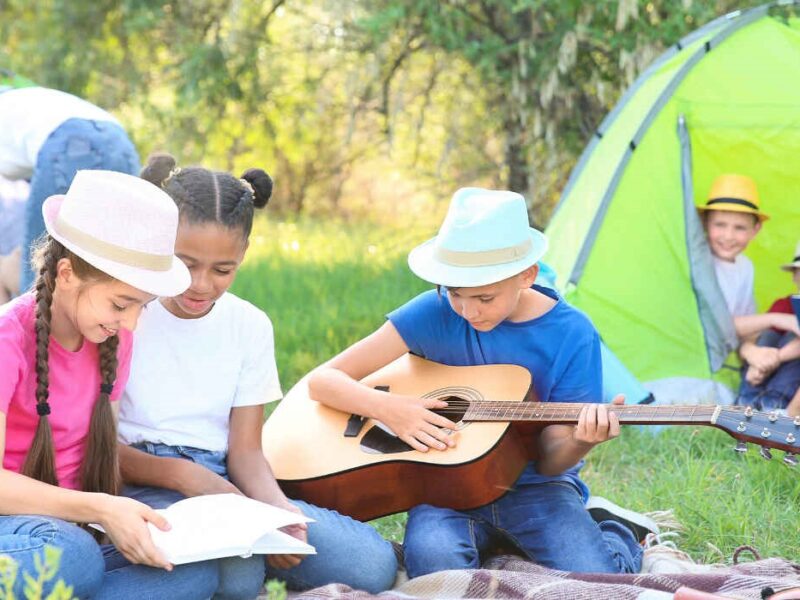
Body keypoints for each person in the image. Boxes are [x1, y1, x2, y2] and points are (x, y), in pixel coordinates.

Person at [307, 187, 649, 578]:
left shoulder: (572, 334)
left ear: (527, 275)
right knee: (433, 568)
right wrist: (391, 410)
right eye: (456, 293)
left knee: (597, 578)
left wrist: (581, 440)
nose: (468, 311)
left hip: (537, 489)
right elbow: (323, 380)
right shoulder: (434, 311)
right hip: (443, 487)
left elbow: (552, 460)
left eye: (485, 298)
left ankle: (617, 531)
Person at [116, 153, 398, 598]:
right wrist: (184, 478)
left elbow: (246, 451)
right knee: (239, 577)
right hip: (142, 478)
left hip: (222, 479)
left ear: (243, 254)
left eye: (222, 270)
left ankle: (228, 555)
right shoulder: (126, 311)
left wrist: (277, 510)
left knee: (372, 565)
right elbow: (99, 446)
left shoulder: (249, 325)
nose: (201, 284)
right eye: (185, 263)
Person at [0, 169, 219, 598]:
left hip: (77, 523)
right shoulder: (8, 341)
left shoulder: (112, 338)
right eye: (121, 304)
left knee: (194, 569)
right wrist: (101, 508)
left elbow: (97, 451)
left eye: (142, 307)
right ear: (66, 274)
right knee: (75, 556)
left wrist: (119, 514)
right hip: (20, 527)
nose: (131, 323)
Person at [0, 83, 140, 293]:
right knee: (101, 267)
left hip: (70, 145)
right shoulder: (27, 103)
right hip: (121, 145)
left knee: (40, 271)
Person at [735, 241, 800, 415]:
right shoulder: (784, 304)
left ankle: (774, 404)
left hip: (786, 387)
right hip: (759, 377)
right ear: (794, 276)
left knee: (792, 338)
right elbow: (750, 337)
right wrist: (754, 356)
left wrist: (774, 359)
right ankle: (747, 401)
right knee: (768, 334)